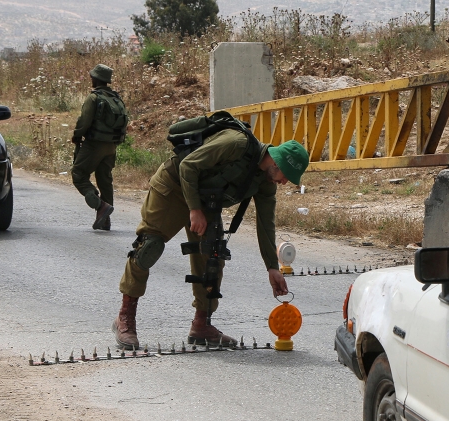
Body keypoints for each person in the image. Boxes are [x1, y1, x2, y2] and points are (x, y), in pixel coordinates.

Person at [111, 122, 309, 350]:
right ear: (276, 162)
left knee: (213, 256)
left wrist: (272, 267)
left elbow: (266, 224)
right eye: (286, 176)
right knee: (149, 247)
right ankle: (125, 318)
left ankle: (202, 325)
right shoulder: (236, 144)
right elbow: (187, 167)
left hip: (206, 201)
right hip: (175, 185)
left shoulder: (265, 182)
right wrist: (194, 209)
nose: (284, 182)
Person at [71, 64, 128, 230]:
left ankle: (100, 206)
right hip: (111, 146)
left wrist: (77, 134)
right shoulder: (115, 97)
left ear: (96, 79)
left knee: (79, 175)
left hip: (94, 144)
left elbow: (85, 120)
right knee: (105, 180)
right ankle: (105, 221)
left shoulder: (94, 97)